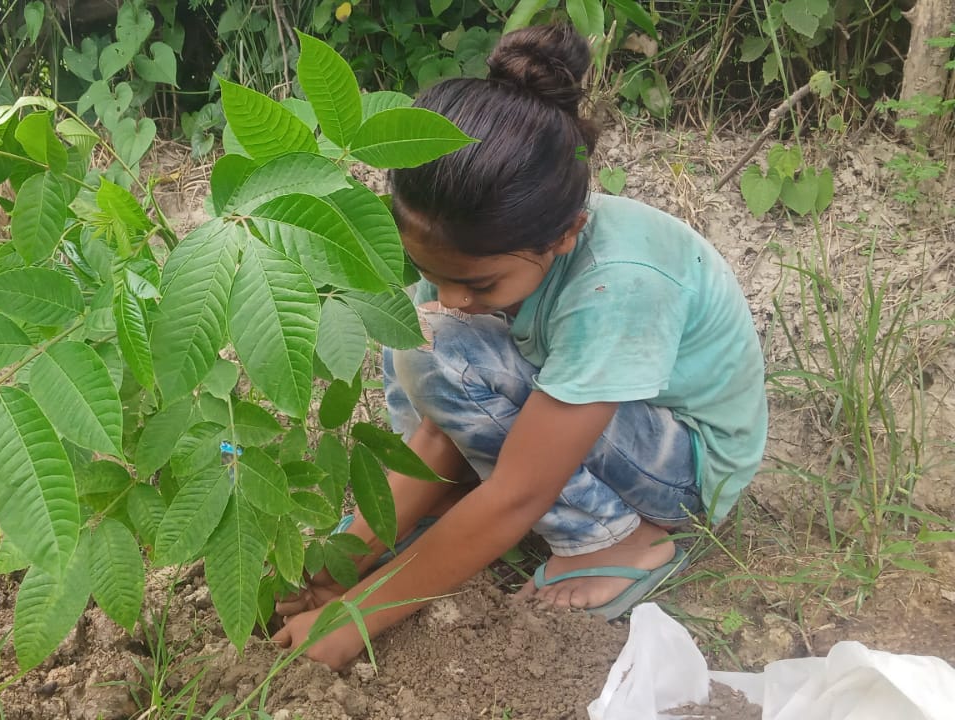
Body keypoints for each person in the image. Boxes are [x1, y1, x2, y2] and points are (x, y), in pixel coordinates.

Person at [272, 23, 768, 670]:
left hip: (685, 464)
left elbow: (518, 493)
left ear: (566, 236)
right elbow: (437, 432)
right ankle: (451, 517)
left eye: (476, 282)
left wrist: (353, 623)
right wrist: (347, 562)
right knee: (418, 335)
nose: (451, 296)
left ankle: (607, 541)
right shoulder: (480, 242)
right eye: (434, 272)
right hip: (578, 418)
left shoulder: (613, 287)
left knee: (438, 347)